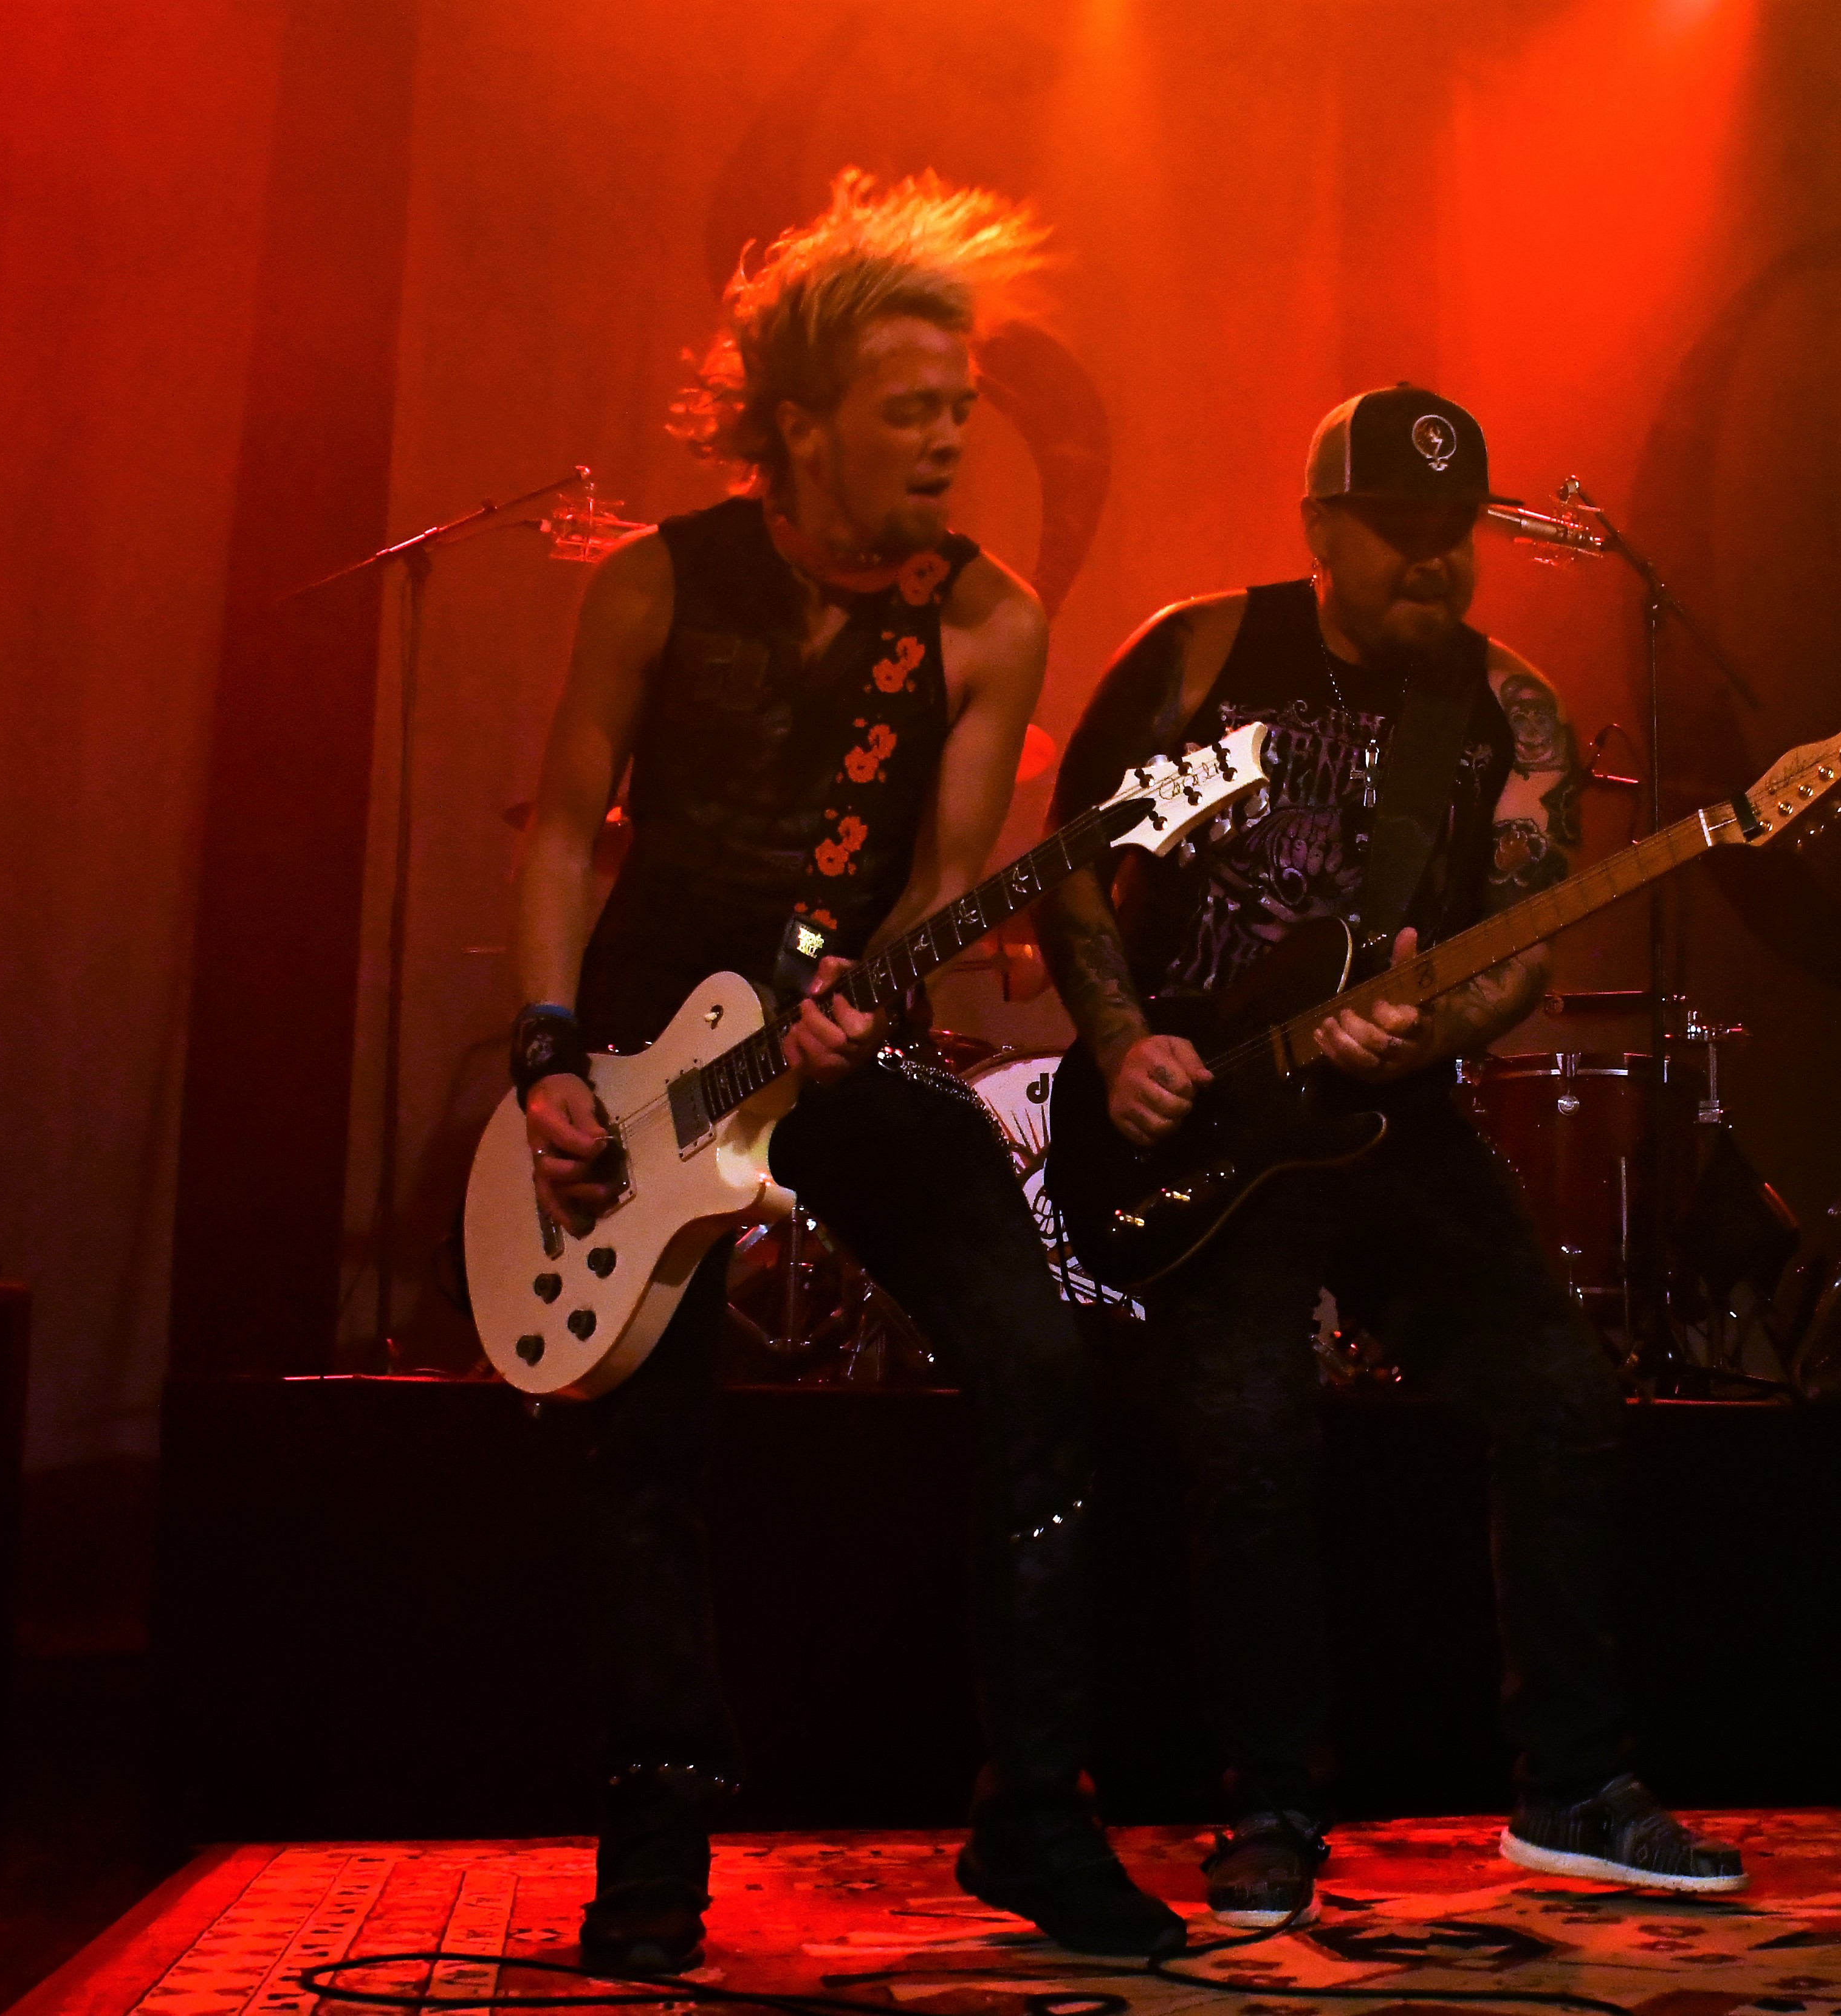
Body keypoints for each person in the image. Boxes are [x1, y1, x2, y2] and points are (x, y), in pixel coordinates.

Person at [509, 170, 1181, 1971]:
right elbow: (564, 829)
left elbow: (946, 884)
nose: (951, 439)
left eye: (960, 406)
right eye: (908, 411)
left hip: (838, 1030)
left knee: (1040, 1361)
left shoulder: (985, 620)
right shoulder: (657, 582)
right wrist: (545, 1053)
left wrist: (865, 1007)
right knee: (649, 1439)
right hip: (646, 1048)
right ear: (798, 426)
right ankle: (655, 1837)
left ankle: (1035, 1813)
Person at [1036, 385, 1744, 1931]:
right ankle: (1271, 1804)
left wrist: (1422, 1027)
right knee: (1250, 1424)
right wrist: (1120, 1045)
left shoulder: (1510, 710)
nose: (1431, 561)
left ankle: (1572, 1786)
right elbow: (1063, 867)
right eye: (1398, 531)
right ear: (1319, 527)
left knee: (1561, 1397)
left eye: (1453, 534)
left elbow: (1519, 943)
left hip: (1391, 1114)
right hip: (1204, 1116)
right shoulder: (1202, 652)